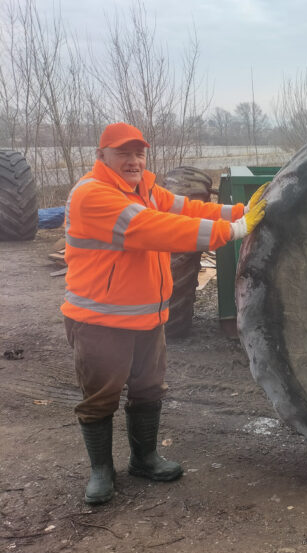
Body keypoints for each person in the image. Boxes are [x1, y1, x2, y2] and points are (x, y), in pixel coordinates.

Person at [62, 122, 267, 504]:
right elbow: (158, 228)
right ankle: (102, 471)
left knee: (148, 390)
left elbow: (188, 207)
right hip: (101, 322)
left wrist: (239, 210)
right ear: (101, 155)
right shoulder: (93, 196)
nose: (134, 160)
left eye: (139, 153)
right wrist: (234, 230)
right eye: (124, 152)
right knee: (100, 397)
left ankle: (144, 459)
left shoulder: (144, 190)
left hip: (146, 317)